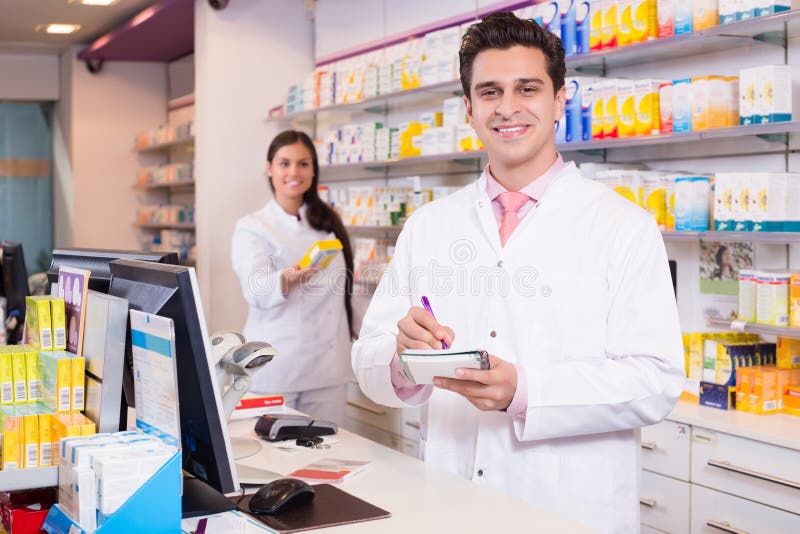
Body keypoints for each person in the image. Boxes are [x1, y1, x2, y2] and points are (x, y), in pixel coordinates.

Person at [351, 12, 684, 534]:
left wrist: (526, 391)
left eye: (526, 88)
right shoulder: (429, 226)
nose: (507, 108)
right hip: (449, 502)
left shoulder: (624, 227)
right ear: (468, 108)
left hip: (569, 511)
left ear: (559, 100)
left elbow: (655, 380)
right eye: (489, 92)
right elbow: (368, 358)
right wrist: (399, 359)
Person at [231, 130, 355, 425]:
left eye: (303, 164)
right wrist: (286, 279)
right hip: (277, 368)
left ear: (314, 170)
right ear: (269, 168)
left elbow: (343, 294)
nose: (294, 172)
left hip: (327, 370)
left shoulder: (327, 223)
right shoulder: (253, 227)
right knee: (275, 462)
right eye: (284, 163)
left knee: (328, 457)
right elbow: (255, 289)